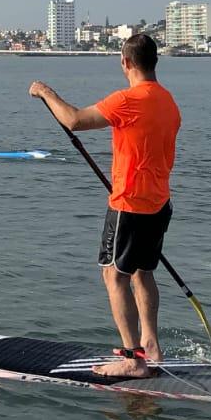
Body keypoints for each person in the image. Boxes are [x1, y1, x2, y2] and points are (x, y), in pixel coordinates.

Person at [29, 33, 180, 380]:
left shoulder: (127, 100)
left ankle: (133, 359)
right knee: (143, 272)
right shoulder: (168, 101)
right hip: (159, 202)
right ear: (154, 62)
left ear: (125, 63)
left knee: (114, 275)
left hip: (130, 204)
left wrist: (45, 92)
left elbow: (74, 120)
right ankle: (151, 345)